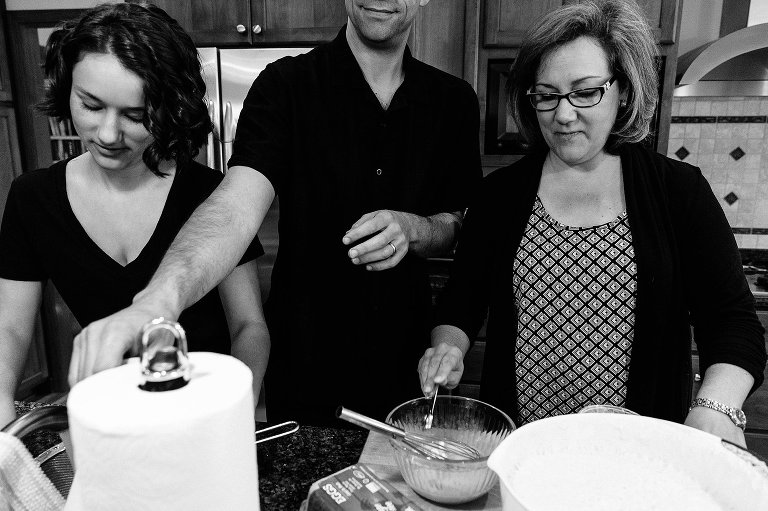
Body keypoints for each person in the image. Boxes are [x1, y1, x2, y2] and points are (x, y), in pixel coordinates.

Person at [62, 0, 481, 424]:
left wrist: (414, 228)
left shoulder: (453, 101)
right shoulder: (285, 85)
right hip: (305, 363)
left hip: (410, 361)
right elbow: (236, 206)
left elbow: (455, 225)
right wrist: (155, 303)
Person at [418, 0, 766, 447]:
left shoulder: (678, 191)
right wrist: (448, 347)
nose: (563, 115)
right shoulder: (499, 195)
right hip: (524, 453)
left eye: (585, 92)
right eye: (547, 95)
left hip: (638, 456)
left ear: (624, 90)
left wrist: (715, 408)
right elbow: (461, 304)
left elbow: (734, 325)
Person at [0, 3, 269, 427]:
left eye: (135, 115)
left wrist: (236, 413)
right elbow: (10, 328)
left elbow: (249, 327)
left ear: (168, 109)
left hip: (206, 412)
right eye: (91, 105)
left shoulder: (211, 195)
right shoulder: (32, 198)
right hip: (114, 418)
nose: (108, 134)